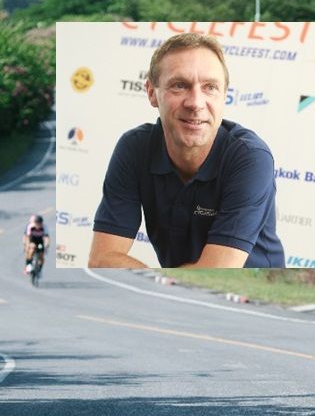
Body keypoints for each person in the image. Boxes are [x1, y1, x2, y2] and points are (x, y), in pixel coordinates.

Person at [89, 32, 284, 268]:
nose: (195, 103)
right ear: (151, 93)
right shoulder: (135, 148)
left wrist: (154, 283)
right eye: (179, 86)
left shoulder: (249, 157)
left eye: (210, 87)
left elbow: (215, 271)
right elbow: (102, 258)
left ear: (224, 95)